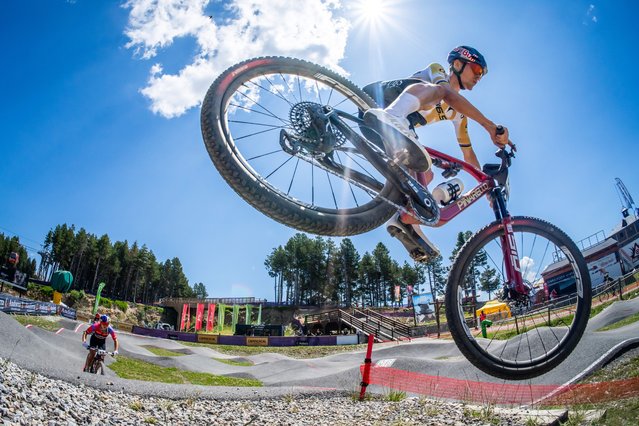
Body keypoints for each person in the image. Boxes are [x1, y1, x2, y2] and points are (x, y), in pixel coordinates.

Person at [362, 46, 511, 262]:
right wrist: (489, 126)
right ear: (458, 64)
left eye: (482, 75)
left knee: (426, 175)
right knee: (440, 92)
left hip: (391, 129)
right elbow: (447, 95)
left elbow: (468, 154)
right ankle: (392, 114)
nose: (479, 77)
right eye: (477, 69)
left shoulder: (459, 115)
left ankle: (403, 219)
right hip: (377, 101)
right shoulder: (437, 71)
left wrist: (484, 185)